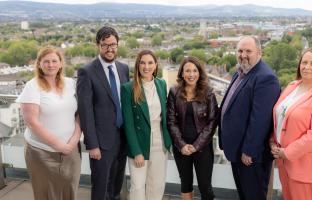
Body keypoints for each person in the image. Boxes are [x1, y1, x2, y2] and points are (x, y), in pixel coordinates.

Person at [218, 36, 281, 199]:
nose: (243, 55)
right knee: (244, 195)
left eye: (248, 51)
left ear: (259, 53)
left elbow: (260, 119)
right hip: (237, 150)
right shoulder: (239, 73)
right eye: (240, 50)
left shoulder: (266, 78)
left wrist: (249, 151)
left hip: (251, 156)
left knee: (253, 195)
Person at [270, 48, 312, 200]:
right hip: (282, 160)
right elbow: (279, 115)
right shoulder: (292, 86)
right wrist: (273, 141)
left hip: (303, 164)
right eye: (304, 62)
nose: (307, 67)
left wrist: (287, 152)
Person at [17, 46, 81, 200]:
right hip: (42, 152)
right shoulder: (32, 86)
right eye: (46, 61)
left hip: (71, 151)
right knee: (47, 194)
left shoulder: (71, 84)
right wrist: (59, 145)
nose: (51, 65)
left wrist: (73, 141)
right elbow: (32, 122)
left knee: (69, 190)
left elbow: (79, 114)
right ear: (39, 64)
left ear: (60, 63)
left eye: (54, 61)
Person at [76, 26, 129, 200]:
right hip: (101, 143)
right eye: (105, 45)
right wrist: (92, 145)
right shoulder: (87, 72)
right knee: (100, 188)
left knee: (116, 186)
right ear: (98, 45)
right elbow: (85, 111)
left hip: (122, 138)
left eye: (113, 44)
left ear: (118, 45)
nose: (110, 49)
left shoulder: (123, 68)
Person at [121, 50, 172, 200]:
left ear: (156, 65)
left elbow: (166, 116)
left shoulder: (161, 84)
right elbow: (128, 124)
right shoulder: (128, 88)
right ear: (138, 65)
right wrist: (137, 152)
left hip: (160, 142)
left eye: (150, 63)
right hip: (139, 144)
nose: (146, 66)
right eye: (143, 63)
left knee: (156, 185)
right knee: (137, 186)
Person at [167, 56, 218, 200]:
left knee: (205, 187)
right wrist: (182, 145)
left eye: (194, 71)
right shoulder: (174, 92)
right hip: (181, 147)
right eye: (187, 71)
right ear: (182, 73)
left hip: (202, 147)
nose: (191, 74)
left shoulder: (208, 92)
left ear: (199, 73)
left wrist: (196, 146)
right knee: (185, 184)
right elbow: (171, 121)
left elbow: (213, 122)